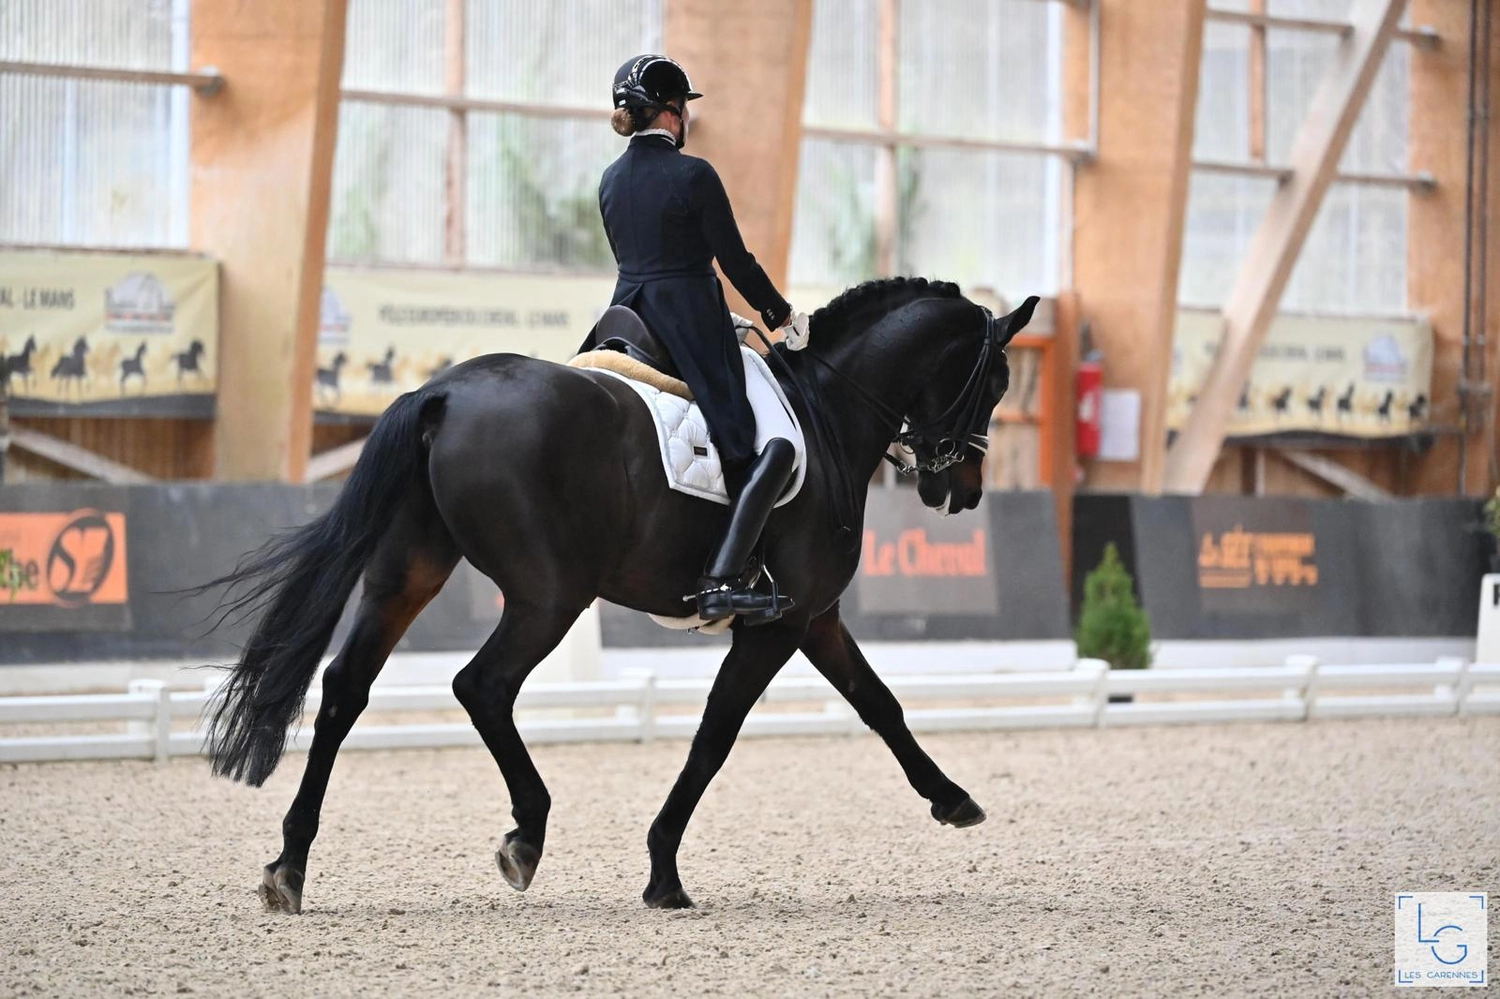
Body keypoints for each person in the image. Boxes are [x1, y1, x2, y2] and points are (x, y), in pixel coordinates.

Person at [597, 54, 809, 625]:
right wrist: (778, 313)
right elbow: (733, 260)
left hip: (626, 313)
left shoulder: (610, 180)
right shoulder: (694, 174)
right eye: (683, 106)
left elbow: (639, 259)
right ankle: (723, 576)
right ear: (672, 113)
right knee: (751, 439)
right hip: (687, 315)